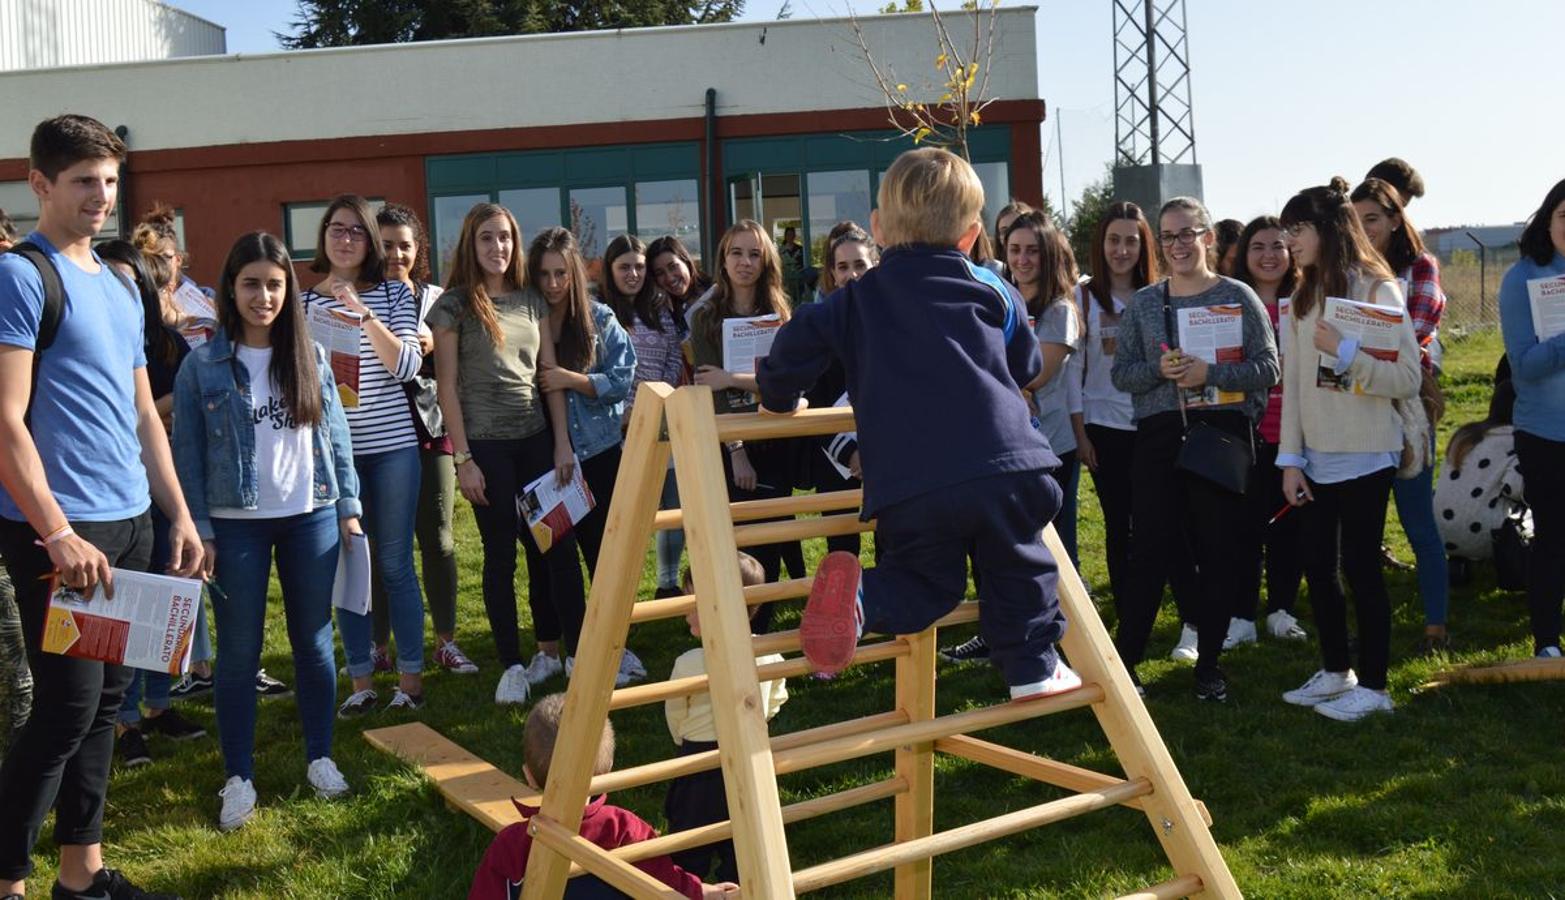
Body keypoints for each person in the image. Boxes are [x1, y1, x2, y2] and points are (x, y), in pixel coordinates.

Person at [758, 147, 1081, 701]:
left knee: (926, 582)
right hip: (1001, 466)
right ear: (971, 236)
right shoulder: (992, 288)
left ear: (879, 229)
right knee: (1019, 561)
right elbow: (1026, 364)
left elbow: (792, 347)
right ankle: (1031, 665)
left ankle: (867, 597)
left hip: (909, 482)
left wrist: (780, 397)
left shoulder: (855, 299)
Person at [0, 113, 201, 900]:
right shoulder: (22, 276)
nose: (101, 195)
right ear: (40, 183)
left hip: (129, 524)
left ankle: (80, 875)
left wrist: (177, 515)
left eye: (110, 180)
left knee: (105, 707)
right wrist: (56, 532)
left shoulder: (120, 282)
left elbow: (144, 412)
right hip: (63, 534)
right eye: (84, 180)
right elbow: (6, 421)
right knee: (63, 711)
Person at [172, 231, 361, 831]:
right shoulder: (201, 365)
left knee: (315, 643)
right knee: (238, 652)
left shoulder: (311, 356)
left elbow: (335, 435)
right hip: (235, 529)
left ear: (288, 289)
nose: (264, 297)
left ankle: (321, 756)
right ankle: (238, 776)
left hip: (311, 516)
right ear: (230, 288)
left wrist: (348, 505)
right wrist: (200, 529)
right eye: (251, 284)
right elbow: (187, 455)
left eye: (275, 285)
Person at [1109, 196, 1279, 702]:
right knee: (1149, 551)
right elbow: (1122, 375)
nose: (1178, 245)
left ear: (1208, 237)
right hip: (1160, 437)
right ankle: (1126, 664)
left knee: (1218, 551)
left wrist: (1212, 373)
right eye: (1168, 236)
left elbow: (1268, 368)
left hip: (1220, 437)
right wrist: (1158, 371)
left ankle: (1209, 666)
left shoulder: (1237, 296)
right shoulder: (1145, 303)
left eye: (1187, 233)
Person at [1276, 178, 1421, 722]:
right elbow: (1293, 387)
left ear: (1328, 229)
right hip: (1316, 459)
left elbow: (1406, 378)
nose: (1289, 241)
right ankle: (1338, 671)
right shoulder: (1302, 295)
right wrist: (1291, 459)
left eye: (1298, 229)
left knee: (1362, 568)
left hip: (1367, 455)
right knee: (1318, 566)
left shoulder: (1377, 288)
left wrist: (1347, 352)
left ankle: (1377, 688)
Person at [428, 203, 583, 703]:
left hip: (537, 440)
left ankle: (574, 655)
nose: (498, 247)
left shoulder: (532, 300)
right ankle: (512, 666)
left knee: (557, 550)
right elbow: (446, 387)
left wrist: (561, 443)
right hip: (486, 448)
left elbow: (548, 377)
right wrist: (463, 459)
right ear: (471, 244)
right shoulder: (453, 306)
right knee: (500, 557)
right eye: (487, 238)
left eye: (505, 238)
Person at [300, 194, 426, 716]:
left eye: (356, 230)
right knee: (350, 567)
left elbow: (408, 367)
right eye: (337, 228)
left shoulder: (394, 293)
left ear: (370, 240)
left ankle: (411, 683)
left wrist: (362, 313)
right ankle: (361, 683)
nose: (346, 238)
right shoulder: (302, 304)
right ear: (324, 236)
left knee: (395, 565)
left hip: (394, 449)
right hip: (336, 456)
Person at [1064, 202, 1205, 664]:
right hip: (1104, 429)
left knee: (1172, 524)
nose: (1121, 250)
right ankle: (1129, 624)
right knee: (1119, 527)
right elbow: (1075, 372)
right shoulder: (1082, 297)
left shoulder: (1161, 295)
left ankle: (1193, 621)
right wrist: (1081, 434)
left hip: (1157, 424)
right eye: (1113, 240)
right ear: (1100, 244)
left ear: (1145, 246)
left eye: (1131, 240)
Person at [95, 241, 208, 767]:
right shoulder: (87, 338)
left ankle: (160, 705)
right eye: (110, 277)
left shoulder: (167, 343)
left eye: (131, 280)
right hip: (113, 493)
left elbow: (187, 405)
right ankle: (123, 720)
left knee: (169, 595)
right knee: (122, 606)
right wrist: (158, 409)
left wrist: (152, 412)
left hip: (167, 483)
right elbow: (133, 414)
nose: (122, 288)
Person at [467, 692, 739, 899]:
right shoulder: (624, 829)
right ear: (608, 770)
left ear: (528, 775)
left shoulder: (512, 845)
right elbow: (665, 881)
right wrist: (702, 891)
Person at [531, 227, 643, 686]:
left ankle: (613, 645)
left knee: (603, 556)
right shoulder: (528, 320)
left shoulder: (599, 318)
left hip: (599, 453)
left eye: (561, 273)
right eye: (544, 274)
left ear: (575, 272)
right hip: (547, 458)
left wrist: (569, 379)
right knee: (554, 558)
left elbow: (622, 379)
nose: (553, 283)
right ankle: (570, 650)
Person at [1351, 177, 1451, 652]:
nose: (1365, 229)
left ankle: (1436, 626)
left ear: (1395, 219)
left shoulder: (1420, 267)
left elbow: (1412, 336)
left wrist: (1356, 346)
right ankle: (1369, 625)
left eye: (1372, 218)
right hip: (1357, 405)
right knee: (1362, 531)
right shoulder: (1347, 271)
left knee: (1417, 522)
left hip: (1408, 407)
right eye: (1356, 221)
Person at [688, 220, 803, 630]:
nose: (745, 262)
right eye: (736, 252)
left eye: (754, 254)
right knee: (731, 546)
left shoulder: (780, 315)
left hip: (773, 439)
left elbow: (785, 383)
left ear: (766, 261)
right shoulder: (705, 318)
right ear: (723, 259)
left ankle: (759, 636)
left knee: (768, 546)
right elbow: (709, 388)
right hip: (728, 445)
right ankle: (728, 630)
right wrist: (736, 451)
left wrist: (732, 378)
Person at [375, 203, 474, 676]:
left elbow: (463, 365)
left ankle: (446, 641)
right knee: (378, 546)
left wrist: (436, 347)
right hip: (376, 435)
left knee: (438, 538)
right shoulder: (359, 297)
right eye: (386, 245)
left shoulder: (437, 300)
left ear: (419, 250)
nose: (396, 255)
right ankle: (377, 645)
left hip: (430, 430)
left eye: (404, 246)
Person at [664, 552, 788, 882]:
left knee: (688, 842)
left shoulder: (689, 663)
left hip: (698, 763)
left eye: (692, 602)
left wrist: (683, 739)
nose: (685, 610)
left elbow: (675, 711)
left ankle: (687, 888)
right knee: (745, 841)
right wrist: (760, 720)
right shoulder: (768, 653)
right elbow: (777, 696)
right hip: (750, 758)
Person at [1228, 216, 1308, 644]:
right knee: (1243, 528)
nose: (1269, 255)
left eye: (1278, 246)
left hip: (1295, 434)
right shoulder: (1231, 304)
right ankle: (1241, 616)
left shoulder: (1306, 301)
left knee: (1288, 527)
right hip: (1245, 433)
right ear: (1245, 254)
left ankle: (1281, 610)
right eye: (1258, 246)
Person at [1497, 178, 1565, 659]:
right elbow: (1524, 366)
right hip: (1547, 434)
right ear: (1548, 220)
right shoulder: (1523, 279)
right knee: (1554, 537)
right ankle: (1547, 641)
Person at [1005, 212, 1082, 567]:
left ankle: (1071, 602)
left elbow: (1037, 374)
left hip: (1051, 445)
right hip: (1009, 444)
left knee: (1057, 546)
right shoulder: (1000, 301)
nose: (1022, 259)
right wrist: (1014, 388)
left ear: (1048, 254)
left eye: (1032, 250)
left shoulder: (1060, 309)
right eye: (1014, 249)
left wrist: (1008, 383)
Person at [645, 235, 709, 598]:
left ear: (687, 261)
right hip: (682, 415)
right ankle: (668, 584)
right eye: (659, 273)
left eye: (673, 266)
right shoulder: (664, 314)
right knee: (678, 503)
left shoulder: (716, 297)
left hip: (720, 412)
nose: (670, 277)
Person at [1434, 376, 1522, 569]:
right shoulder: (1515, 442)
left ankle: (1462, 560)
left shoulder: (1465, 434)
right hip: (1487, 534)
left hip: (1439, 530)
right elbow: (1516, 489)